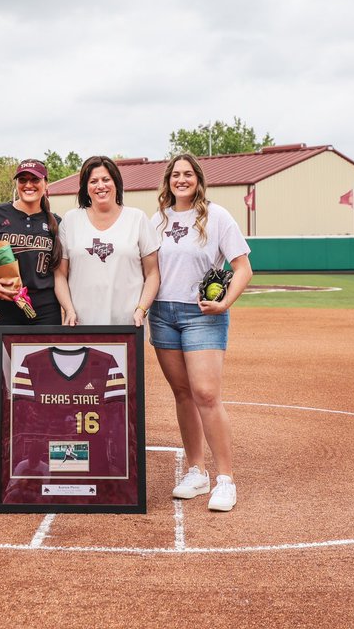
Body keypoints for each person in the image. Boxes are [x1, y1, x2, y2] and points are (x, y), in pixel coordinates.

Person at [149, 153, 252, 512]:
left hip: (202, 315)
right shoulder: (157, 219)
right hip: (162, 313)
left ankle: (225, 479)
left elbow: (242, 268)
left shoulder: (217, 215)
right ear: (168, 180)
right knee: (183, 394)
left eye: (187, 174)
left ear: (198, 179)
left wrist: (225, 303)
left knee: (206, 394)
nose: (181, 179)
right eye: (175, 174)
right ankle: (197, 470)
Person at [0, 159, 63, 370]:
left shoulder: (57, 223)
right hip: (3, 304)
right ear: (16, 183)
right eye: (23, 179)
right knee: (3, 375)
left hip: (45, 308)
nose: (28, 184)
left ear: (46, 184)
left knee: (45, 374)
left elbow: (62, 270)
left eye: (35, 179)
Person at [54, 155, 160, 326]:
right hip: (80, 324)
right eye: (93, 181)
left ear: (116, 183)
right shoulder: (70, 220)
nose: (100, 186)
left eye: (106, 179)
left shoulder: (137, 219)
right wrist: (69, 310)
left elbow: (153, 273)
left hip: (128, 325)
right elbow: (60, 275)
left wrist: (141, 309)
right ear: (85, 187)